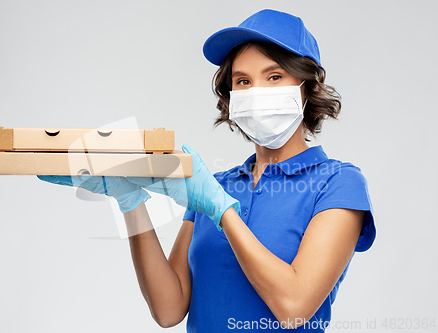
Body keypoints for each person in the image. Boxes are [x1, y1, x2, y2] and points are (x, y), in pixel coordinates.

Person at [38, 9, 376, 332]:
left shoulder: (338, 183)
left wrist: (222, 210)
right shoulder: (216, 183)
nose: (255, 92)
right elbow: (169, 309)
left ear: (306, 86)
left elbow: (293, 306)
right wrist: (131, 201)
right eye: (242, 81)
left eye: (274, 76)